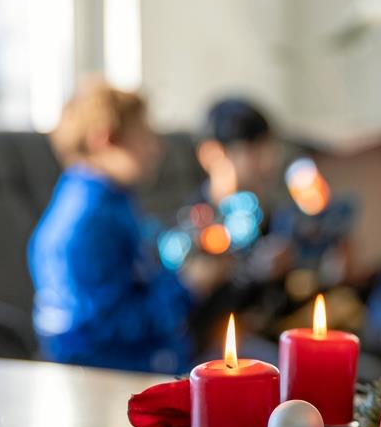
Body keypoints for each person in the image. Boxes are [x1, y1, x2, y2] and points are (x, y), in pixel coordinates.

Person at [28, 79, 222, 373]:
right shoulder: (87, 221)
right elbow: (106, 328)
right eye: (144, 135)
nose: (156, 148)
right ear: (104, 139)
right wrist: (188, 286)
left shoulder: (110, 198)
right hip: (111, 376)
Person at [183, 97, 293, 344]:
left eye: (270, 149)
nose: (268, 162)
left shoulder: (273, 215)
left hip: (269, 334)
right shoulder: (194, 222)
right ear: (212, 154)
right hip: (216, 343)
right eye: (253, 150)